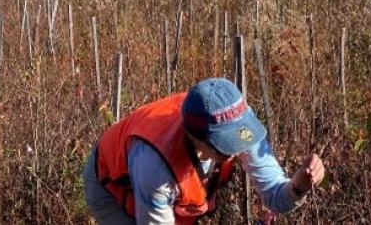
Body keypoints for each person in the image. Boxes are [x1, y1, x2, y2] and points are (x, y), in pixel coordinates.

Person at [82, 77, 325, 224]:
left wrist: (299, 185)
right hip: (109, 186)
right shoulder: (154, 164)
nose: (233, 152)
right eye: (222, 144)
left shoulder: (238, 123)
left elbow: (277, 197)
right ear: (192, 135)